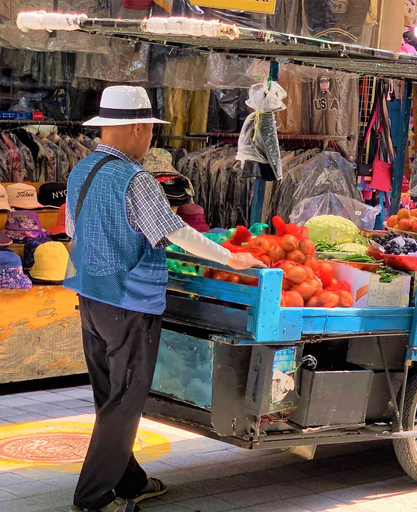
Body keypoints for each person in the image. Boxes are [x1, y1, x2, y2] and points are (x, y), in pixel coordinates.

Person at [65, 86, 264, 512]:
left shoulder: (80, 171)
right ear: (137, 127)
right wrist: (233, 258)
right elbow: (179, 233)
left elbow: (72, 232)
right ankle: (93, 498)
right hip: (129, 303)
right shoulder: (136, 179)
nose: (151, 139)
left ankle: (130, 482)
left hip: (91, 298)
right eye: (151, 131)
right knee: (126, 398)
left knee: (109, 393)